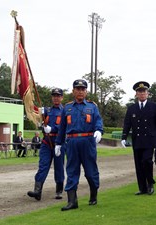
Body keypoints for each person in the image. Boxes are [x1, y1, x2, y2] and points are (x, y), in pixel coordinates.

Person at [55, 79, 103, 211]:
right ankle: (72, 201)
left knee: (91, 171)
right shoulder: (67, 108)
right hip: (72, 142)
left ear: (86, 91)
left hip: (88, 141)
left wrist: (99, 130)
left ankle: (93, 193)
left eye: (83, 89)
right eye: (78, 89)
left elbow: (98, 121)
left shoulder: (92, 107)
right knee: (71, 171)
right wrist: (58, 143)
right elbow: (62, 127)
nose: (80, 91)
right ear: (73, 91)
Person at [121, 81, 156, 195]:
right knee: (139, 164)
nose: (142, 94)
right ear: (136, 94)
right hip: (137, 140)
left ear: (147, 93)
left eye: (144, 92)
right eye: (139, 92)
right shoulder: (132, 108)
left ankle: (150, 183)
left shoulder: (154, 107)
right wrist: (124, 137)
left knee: (147, 161)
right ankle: (142, 187)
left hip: (150, 140)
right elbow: (127, 123)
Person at [27, 88, 65, 201]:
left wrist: (52, 129)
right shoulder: (46, 110)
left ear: (62, 97)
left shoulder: (65, 111)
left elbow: (64, 127)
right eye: (54, 96)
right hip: (46, 143)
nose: (56, 98)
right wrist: (42, 124)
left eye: (58, 96)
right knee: (43, 166)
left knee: (59, 167)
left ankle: (59, 190)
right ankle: (37, 191)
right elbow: (38, 118)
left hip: (59, 142)